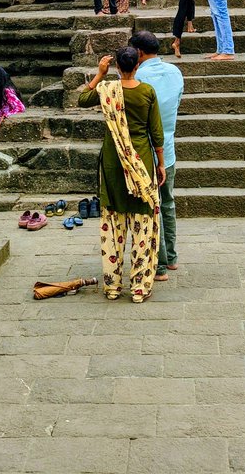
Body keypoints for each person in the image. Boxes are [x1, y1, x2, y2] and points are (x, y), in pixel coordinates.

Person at [78, 47, 165, 303]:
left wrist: (99, 74)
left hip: (114, 163)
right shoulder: (147, 92)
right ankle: (139, 289)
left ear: (117, 66)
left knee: (113, 224)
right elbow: (156, 133)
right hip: (141, 161)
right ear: (138, 64)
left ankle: (113, 287)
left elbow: (83, 99)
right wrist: (160, 164)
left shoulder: (106, 90)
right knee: (142, 224)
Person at [131, 30, 184, 284]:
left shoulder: (139, 77)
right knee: (168, 203)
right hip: (169, 147)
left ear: (139, 53)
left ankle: (160, 265)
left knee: (153, 207)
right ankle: (171, 257)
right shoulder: (175, 72)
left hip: (148, 151)